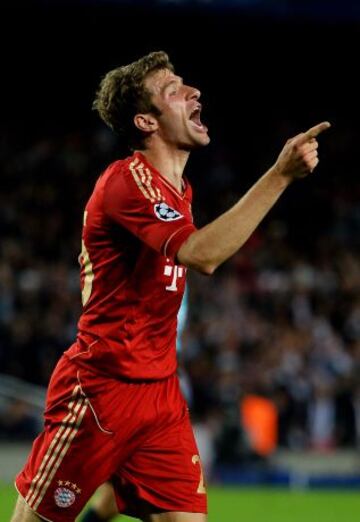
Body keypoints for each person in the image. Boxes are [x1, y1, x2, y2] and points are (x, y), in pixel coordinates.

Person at [11, 50, 330, 522]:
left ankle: (106, 504)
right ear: (146, 121)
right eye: (174, 90)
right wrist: (280, 175)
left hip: (160, 396)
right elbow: (203, 255)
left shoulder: (177, 191)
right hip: (102, 392)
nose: (193, 92)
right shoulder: (126, 182)